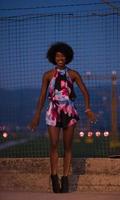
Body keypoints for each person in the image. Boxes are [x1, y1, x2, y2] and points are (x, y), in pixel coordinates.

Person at [28, 42, 96, 193]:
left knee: (68, 147)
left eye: (63, 55)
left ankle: (65, 178)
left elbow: (85, 92)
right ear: (53, 57)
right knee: (53, 145)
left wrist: (88, 108)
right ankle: (54, 176)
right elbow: (42, 97)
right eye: (58, 55)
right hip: (53, 112)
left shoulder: (73, 74)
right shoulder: (47, 75)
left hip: (69, 112)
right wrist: (37, 115)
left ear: (67, 58)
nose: (60, 58)